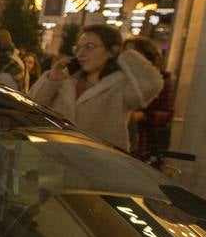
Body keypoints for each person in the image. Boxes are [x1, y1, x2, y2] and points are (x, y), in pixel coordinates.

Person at [29, 24, 163, 150]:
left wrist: (126, 54)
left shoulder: (119, 85)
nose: (81, 53)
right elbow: (30, 108)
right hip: (56, 156)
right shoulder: (64, 78)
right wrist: (52, 81)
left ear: (112, 51)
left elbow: (153, 83)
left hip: (101, 163)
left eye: (90, 47)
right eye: (78, 48)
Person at [123, 36, 175, 161]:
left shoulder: (159, 80)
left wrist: (143, 115)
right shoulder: (120, 78)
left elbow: (166, 112)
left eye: (134, 54)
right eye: (125, 53)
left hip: (144, 142)